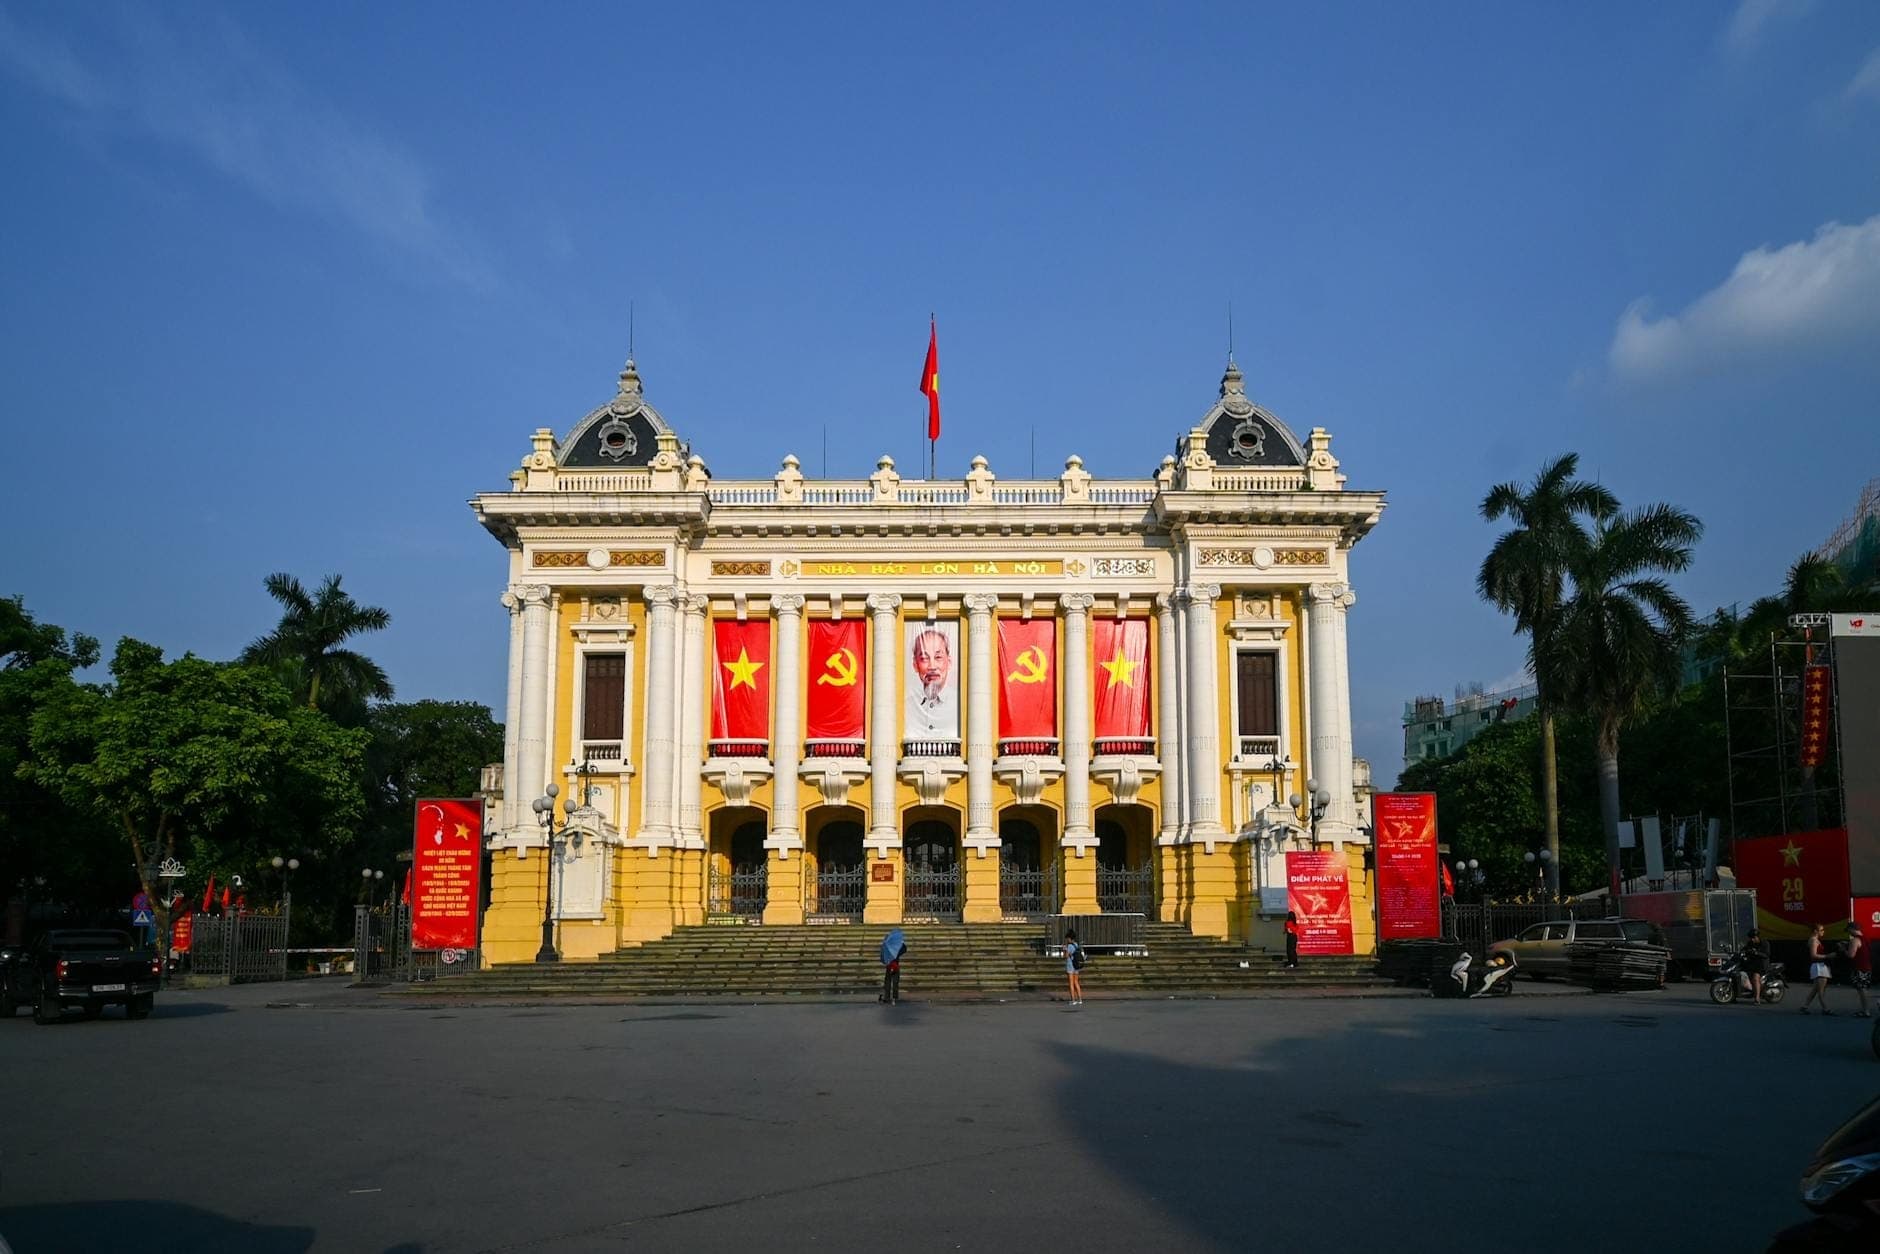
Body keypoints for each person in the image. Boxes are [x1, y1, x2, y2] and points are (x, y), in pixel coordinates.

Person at [906, 628, 958, 739]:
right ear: (915, 665)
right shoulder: (906, 708)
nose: (932, 667)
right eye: (924, 658)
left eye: (938, 657)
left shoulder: (960, 705)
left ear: (949, 662)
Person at [1799, 923, 1836, 1015]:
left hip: (1820, 966)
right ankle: (1826, 1009)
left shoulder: (1815, 940)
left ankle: (1805, 1006)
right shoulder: (1814, 940)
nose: (1823, 932)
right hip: (1818, 966)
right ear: (1815, 931)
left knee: (1816, 989)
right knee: (1821, 990)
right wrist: (1828, 956)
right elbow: (1813, 955)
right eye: (1821, 930)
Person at [1845, 923, 1871, 1018]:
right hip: (1867, 967)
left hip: (1859, 968)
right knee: (1863, 989)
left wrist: (1844, 949)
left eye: (1848, 930)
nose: (1848, 933)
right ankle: (1865, 1010)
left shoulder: (1855, 940)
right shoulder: (1866, 938)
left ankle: (1866, 1011)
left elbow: (1851, 955)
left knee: (1861, 990)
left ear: (1852, 929)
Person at [1740, 928, 1769, 1004]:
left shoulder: (1764, 943)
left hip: (1762, 964)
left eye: (1753, 938)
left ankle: (1757, 998)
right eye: (1751, 938)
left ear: (1757, 937)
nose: (1752, 939)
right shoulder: (1750, 943)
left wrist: (1756, 953)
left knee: (1755, 977)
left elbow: (1766, 954)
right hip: (1752, 964)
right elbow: (1744, 949)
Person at [879, 927, 906, 1005]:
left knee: (887, 981)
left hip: (889, 965)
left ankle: (887, 997)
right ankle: (894, 997)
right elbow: (905, 950)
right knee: (895, 982)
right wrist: (902, 943)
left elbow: (884, 959)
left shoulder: (885, 948)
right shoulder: (896, 948)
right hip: (896, 965)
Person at [1064, 927, 1084, 1006]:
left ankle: (1073, 1000)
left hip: (1070, 965)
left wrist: (1064, 950)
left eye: (1067, 938)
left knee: (1071, 983)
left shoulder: (1069, 946)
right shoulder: (1076, 945)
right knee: (1076, 982)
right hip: (1076, 965)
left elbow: (1065, 956)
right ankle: (1080, 999)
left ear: (1069, 938)